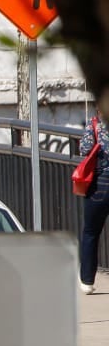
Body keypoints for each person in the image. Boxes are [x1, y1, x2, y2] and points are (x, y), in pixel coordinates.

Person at [80, 113, 109, 294]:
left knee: (91, 231)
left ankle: (87, 281)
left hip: (100, 184)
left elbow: (85, 148)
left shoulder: (95, 123)